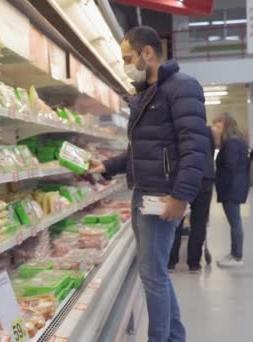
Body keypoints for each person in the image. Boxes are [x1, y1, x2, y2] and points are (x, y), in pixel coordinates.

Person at [88, 26, 208, 342]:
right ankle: (174, 336)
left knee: (153, 276)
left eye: (128, 58)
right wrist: (108, 166)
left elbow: (196, 148)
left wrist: (181, 197)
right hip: (145, 192)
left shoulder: (182, 87)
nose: (125, 64)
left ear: (147, 53)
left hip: (162, 195)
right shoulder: (148, 93)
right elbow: (142, 151)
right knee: (156, 276)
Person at [168, 127, 215, 273]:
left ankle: (171, 261)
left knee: (177, 219)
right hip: (205, 178)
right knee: (199, 221)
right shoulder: (207, 131)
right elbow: (211, 152)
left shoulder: (176, 129)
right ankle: (194, 263)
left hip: (183, 178)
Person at [211, 112, 250, 268]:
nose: (216, 129)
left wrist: (218, 182)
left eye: (218, 125)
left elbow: (230, 166)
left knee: (235, 222)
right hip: (235, 186)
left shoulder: (231, 143)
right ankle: (234, 253)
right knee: (235, 222)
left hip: (231, 188)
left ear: (226, 125)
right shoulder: (236, 141)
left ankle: (237, 256)